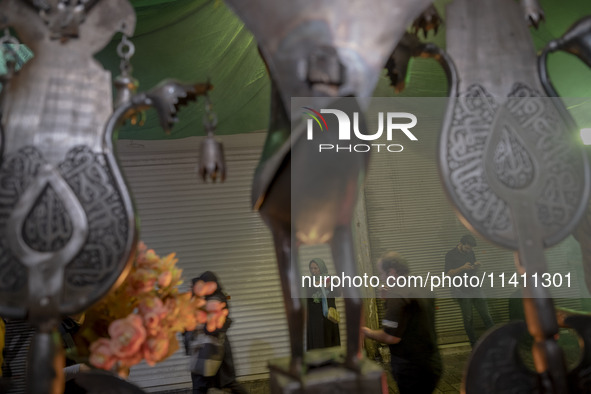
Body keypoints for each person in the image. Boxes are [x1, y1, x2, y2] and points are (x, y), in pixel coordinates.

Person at [362, 252, 441, 394]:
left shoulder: (397, 295)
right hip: (432, 362)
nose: (381, 278)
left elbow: (391, 336)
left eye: (382, 274)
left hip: (411, 367)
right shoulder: (422, 286)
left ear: (391, 272)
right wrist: (387, 300)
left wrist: (366, 332)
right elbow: (411, 318)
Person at [184, 271, 246, 394]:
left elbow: (216, 326)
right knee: (204, 385)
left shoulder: (217, 299)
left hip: (215, 349)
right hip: (206, 349)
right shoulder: (202, 299)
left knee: (226, 383)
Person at [445, 234, 494, 347]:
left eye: (470, 249)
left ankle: (495, 341)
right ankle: (474, 345)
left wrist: (475, 267)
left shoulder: (470, 252)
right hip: (461, 290)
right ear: (460, 244)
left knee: (486, 315)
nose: (468, 251)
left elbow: (472, 271)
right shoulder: (450, 254)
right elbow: (448, 274)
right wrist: (462, 268)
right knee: (468, 319)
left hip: (474, 287)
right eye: (467, 248)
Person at [307, 258, 341, 350]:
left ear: (321, 268)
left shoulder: (330, 279)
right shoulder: (308, 281)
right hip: (315, 318)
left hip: (329, 316)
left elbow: (338, 293)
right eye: (311, 268)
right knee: (317, 342)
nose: (313, 271)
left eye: (316, 268)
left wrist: (330, 286)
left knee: (330, 339)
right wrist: (316, 286)